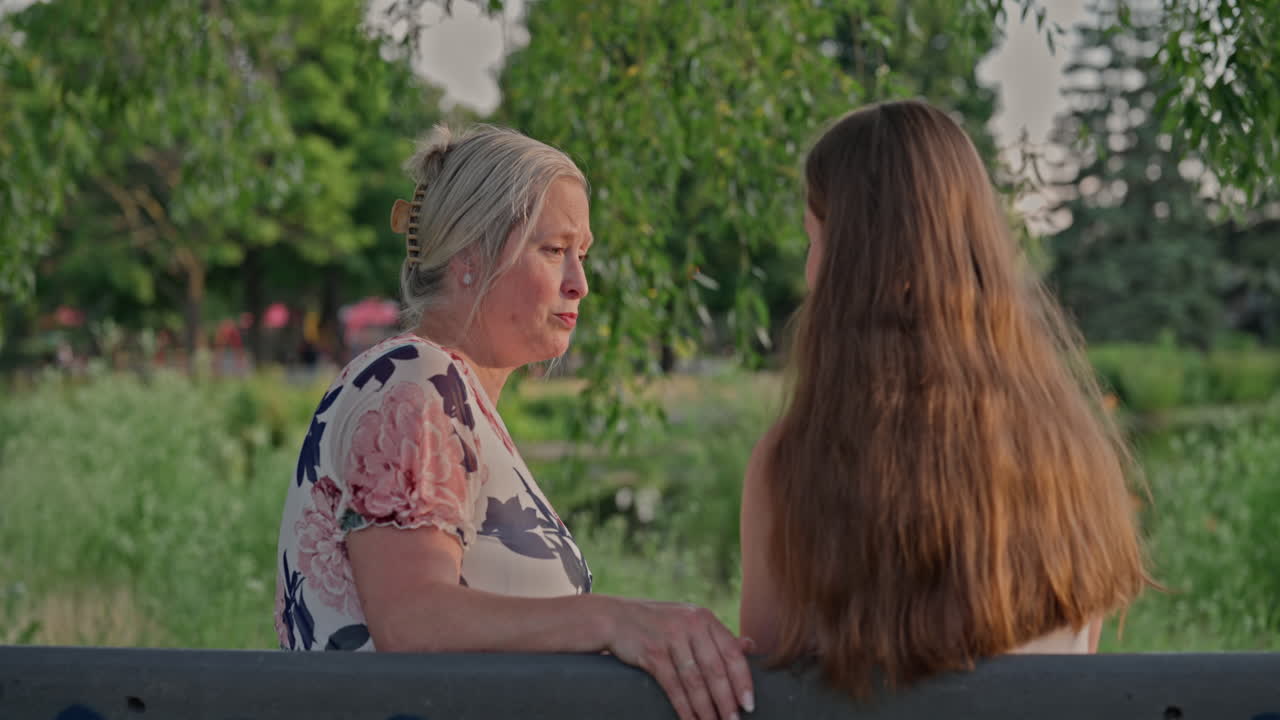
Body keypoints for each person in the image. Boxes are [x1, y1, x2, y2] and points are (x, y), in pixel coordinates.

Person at [276, 124, 754, 720]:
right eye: (555, 250)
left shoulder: (444, 392)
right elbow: (414, 620)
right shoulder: (416, 381)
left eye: (583, 253)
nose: (580, 282)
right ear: (471, 257)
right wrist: (614, 619)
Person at [738, 99, 1150, 698]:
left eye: (814, 240)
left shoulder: (793, 466)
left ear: (855, 265)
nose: (809, 269)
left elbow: (774, 699)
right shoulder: (1075, 455)